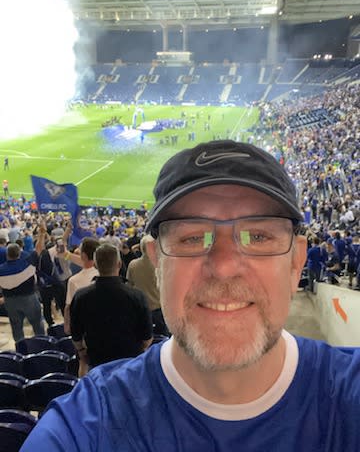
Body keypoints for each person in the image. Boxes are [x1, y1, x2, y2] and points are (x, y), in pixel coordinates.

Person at [21, 141, 360, 451]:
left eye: (258, 236)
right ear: (156, 261)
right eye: (193, 237)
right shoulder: (85, 425)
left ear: (296, 261)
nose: (225, 266)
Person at [70, 243, 153, 376]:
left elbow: (76, 334)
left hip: (97, 365)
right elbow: (147, 338)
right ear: (119, 264)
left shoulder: (81, 296)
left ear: (96, 266)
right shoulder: (137, 296)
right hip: (131, 365)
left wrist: (81, 352)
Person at [0, 239, 45, 343]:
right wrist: (41, 234)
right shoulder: (28, 263)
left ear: (7, 255)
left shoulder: (1, 270)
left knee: (17, 329)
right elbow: (39, 249)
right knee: (37, 325)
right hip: (29, 298)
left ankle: (21, 351)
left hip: (10, 302)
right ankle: (41, 345)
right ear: (19, 253)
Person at [126, 234, 169, 336]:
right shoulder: (162, 264)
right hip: (159, 310)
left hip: (140, 310)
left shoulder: (133, 265)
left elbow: (129, 285)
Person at [63, 237, 100, 336]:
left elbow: (68, 307)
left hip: (85, 327)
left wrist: (67, 325)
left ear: (83, 255)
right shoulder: (106, 272)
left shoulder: (74, 281)